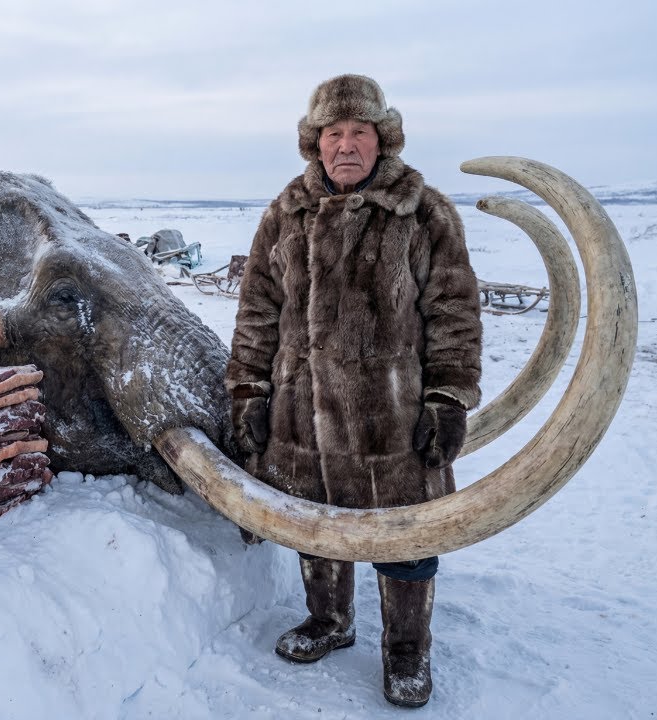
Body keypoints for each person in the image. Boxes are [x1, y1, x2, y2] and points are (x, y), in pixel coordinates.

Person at [226, 74, 482, 708]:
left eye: (358, 133)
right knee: (317, 522)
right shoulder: (285, 211)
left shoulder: (424, 212)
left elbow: (454, 313)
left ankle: (406, 651)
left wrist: (448, 398)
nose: (345, 146)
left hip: (389, 418)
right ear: (314, 143)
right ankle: (330, 621)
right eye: (333, 134)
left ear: (382, 140)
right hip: (301, 413)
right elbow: (257, 310)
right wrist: (249, 392)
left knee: (407, 537)